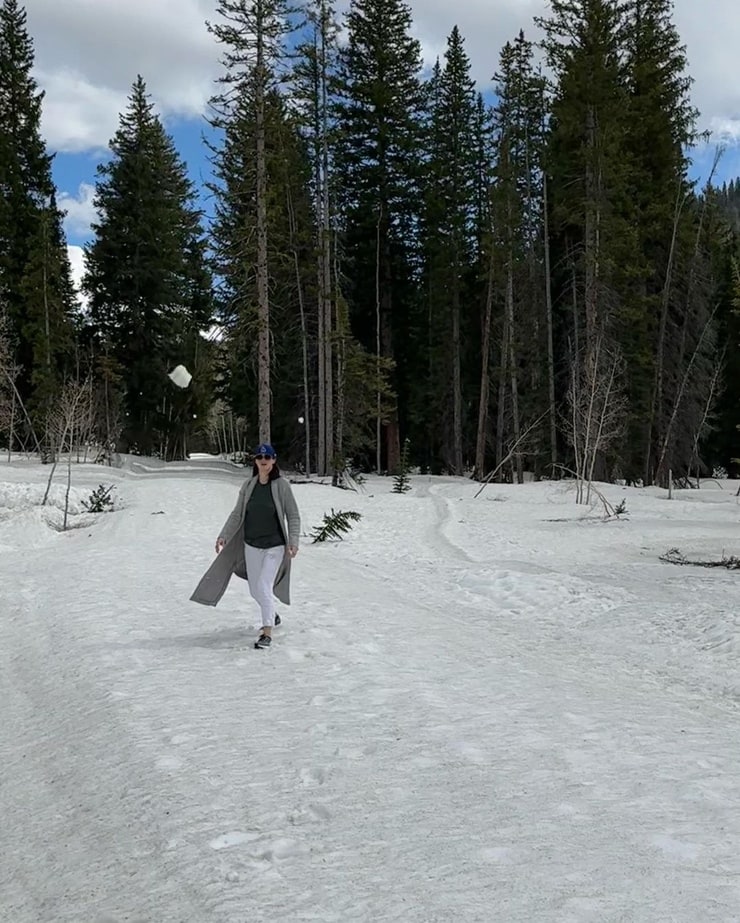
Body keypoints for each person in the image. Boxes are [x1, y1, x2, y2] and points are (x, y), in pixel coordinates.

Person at [190, 443, 301, 649]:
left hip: (274, 546)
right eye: (259, 457)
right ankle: (273, 615)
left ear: (274, 460)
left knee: (263, 585)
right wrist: (224, 535)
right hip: (251, 544)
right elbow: (237, 514)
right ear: (255, 461)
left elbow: (293, 515)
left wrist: (293, 541)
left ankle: (267, 632)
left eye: (267, 458)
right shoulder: (249, 486)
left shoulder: (282, 486)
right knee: (254, 590)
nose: (263, 461)